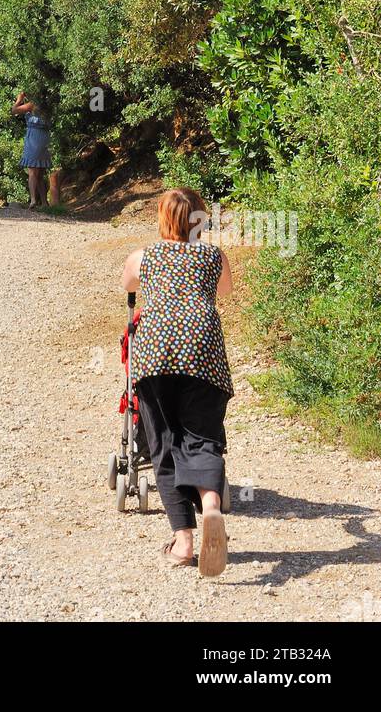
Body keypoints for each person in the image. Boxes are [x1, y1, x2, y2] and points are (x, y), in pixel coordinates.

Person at [121, 187, 234, 577]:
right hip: (203, 352)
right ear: (199, 220)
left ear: (162, 218)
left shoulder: (143, 256)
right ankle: (213, 507)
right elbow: (225, 292)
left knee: (164, 442)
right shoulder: (213, 255)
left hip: (156, 353)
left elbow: (128, 287)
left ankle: (183, 542)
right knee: (202, 436)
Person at [11, 91, 51, 208]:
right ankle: (44, 202)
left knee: (32, 171)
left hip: (34, 137)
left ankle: (33, 200)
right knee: (40, 172)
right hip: (44, 137)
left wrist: (19, 99)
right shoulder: (48, 106)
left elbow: (14, 110)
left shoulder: (32, 105)